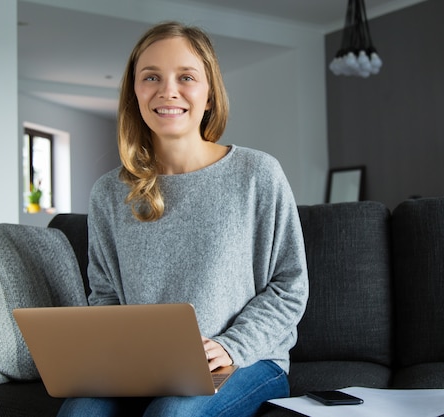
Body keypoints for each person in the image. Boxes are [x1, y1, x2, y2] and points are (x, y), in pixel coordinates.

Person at [57, 21, 308, 417]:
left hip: (245, 361)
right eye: (151, 77)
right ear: (134, 93)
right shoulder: (109, 192)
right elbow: (104, 295)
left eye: (186, 77)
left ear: (209, 95)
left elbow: (289, 285)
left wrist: (231, 345)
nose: (167, 90)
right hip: (141, 367)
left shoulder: (257, 174)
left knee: (171, 414)